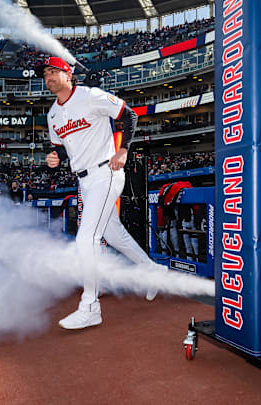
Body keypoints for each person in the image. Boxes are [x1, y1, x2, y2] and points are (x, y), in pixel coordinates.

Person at [38, 56, 165, 330]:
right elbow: (61, 147)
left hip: (105, 171)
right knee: (111, 233)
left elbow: (129, 114)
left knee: (87, 238)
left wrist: (123, 150)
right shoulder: (52, 114)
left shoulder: (90, 96)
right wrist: (55, 156)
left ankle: (90, 307)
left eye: (53, 71)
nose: (48, 77)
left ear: (68, 74)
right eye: (45, 73)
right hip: (84, 179)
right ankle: (152, 270)